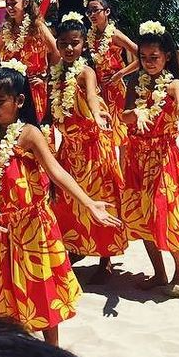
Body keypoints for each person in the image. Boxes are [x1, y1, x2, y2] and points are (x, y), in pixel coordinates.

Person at [0, 63, 121, 346]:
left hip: (34, 227)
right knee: (2, 295)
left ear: (20, 101)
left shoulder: (29, 134)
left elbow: (56, 172)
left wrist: (88, 204)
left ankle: (52, 353)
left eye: (0, 101)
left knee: (42, 293)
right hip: (0, 231)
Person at [121, 22, 179, 289]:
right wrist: (133, 114)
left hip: (162, 159)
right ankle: (158, 272)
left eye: (154, 57)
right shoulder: (135, 81)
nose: (148, 62)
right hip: (137, 156)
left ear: (167, 57)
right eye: (144, 58)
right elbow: (123, 117)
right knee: (143, 215)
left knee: (164, 214)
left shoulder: (174, 84)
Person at [48, 14, 129, 278]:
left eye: (75, 43)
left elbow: (92, 96)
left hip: (92, 149)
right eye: (63, 43)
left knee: (101, 198)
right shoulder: (58, 72)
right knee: (68, 201)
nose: (69, 48)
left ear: (84, 44)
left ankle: (105, 259)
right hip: (69, 149)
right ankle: (76, 246)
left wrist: (96, 114)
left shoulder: (86, 72)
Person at [83, 0, 138, 163]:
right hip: (98, 90)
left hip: (116, 90)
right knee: (105, 133)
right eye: (89, 11)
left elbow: (141, 57)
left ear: (106, 12)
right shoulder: (90, 36)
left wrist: (120, 73)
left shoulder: (114, 34)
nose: (92, 15)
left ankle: (123, 178)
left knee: (121, 133)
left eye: (95, 10)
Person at [0, 0, 58, 123]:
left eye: (13, 3)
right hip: (12, 88)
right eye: (7, 4)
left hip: (34, 87)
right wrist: (0, 75)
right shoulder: (6, 28)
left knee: (37, 126)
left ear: (26, 3)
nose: (10, 7)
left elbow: (56, 51)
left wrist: (46, 77)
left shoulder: (37, 26)